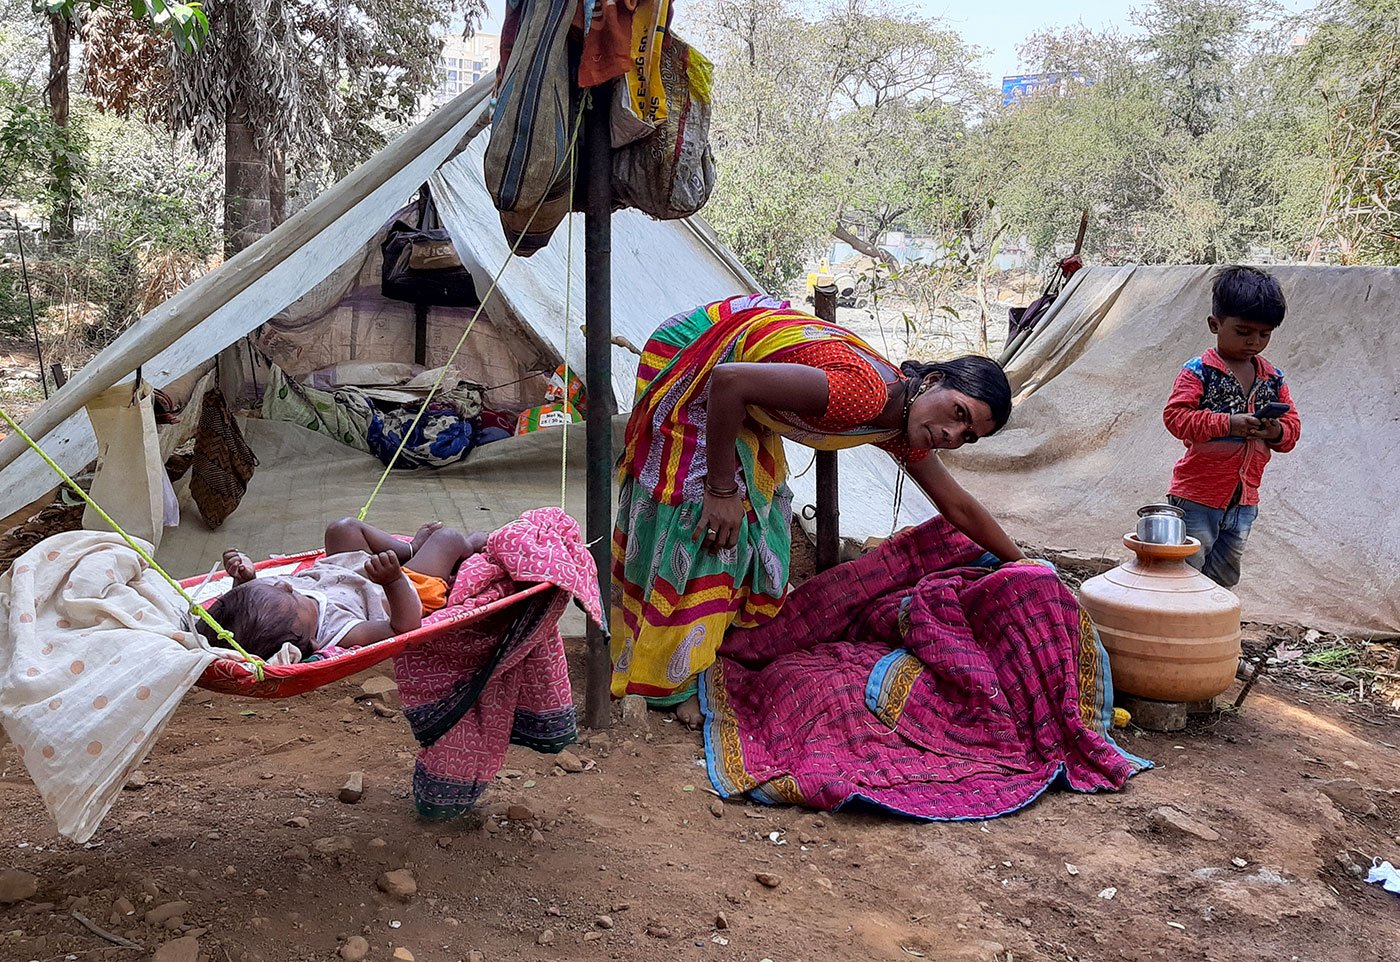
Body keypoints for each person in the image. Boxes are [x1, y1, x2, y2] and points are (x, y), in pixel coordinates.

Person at [611, 293, 1024, 726]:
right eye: (959, 412)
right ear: (933, 380)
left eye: (967, 435)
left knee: (763, 522)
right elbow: (728, 381)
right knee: (709, 529)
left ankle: (707, 645)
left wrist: (1022, 563)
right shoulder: (862, 395)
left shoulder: (901, 423)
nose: (951, 433)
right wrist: (719, 489)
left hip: (737, 388)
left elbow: (957, 504)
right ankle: (663, 682)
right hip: (694, 366)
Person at [1162, 265, 1301, 588]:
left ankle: (1210, 631)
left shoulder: (1273, 377)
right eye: (1243, 332)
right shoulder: (1199, 372)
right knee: (1185, 570)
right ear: (1215, 324)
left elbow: (1292, 427)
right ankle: (1178, 628)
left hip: (1244, 500)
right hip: (1197, 496)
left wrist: (1275, 431)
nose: (1254, 342)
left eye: (1264, 334)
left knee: (1223, 575)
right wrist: (1229, 423)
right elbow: (1176, 418)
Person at [197, 519, 487, 661]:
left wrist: (244, 579)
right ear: (310, 640)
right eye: (289, 595)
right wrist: (393, 580)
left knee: (342, 528)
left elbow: (245, 619)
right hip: (403, 587)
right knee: (447, 538)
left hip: (346, 567)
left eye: (272, 585)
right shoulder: (339, 630)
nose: (284, 583)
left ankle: (410, 547)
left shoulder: (280, 609)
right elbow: (403, 628)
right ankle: (469, 547)